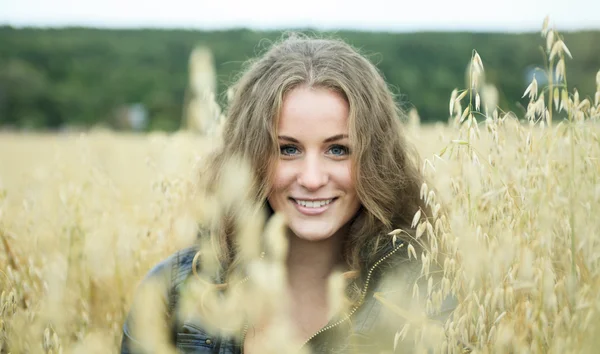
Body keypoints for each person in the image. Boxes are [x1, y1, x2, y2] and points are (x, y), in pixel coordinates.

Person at [120, 34, 455, 354]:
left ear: (376, 161)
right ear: (250, 158)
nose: (311, 178)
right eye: (288, 149)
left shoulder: (426, 295)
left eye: (338, 149)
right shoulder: (171, 291)